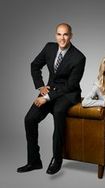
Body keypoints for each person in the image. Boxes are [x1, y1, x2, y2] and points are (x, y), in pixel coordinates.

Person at [17, 23, 86, 175]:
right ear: (56, 35)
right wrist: (40, 86)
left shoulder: (79, 57)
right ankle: (34, 161)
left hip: (68, 94)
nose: (62, 38)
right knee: (30, 119)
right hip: (49, 89)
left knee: (59, 112)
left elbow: (70, 85)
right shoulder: (49, 47)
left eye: (66, 34)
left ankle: (57, 159)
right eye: (59, 34)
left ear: (71, 36)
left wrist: (46, 98)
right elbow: (34, 65)